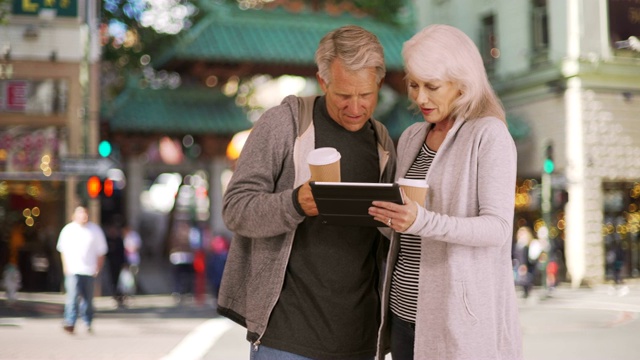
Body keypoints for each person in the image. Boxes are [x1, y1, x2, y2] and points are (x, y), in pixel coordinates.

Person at [217, 25, 396, 360]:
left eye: (366, 95)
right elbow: (236, 208)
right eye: (344, 95)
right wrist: (294, 202)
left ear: (379, 84)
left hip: (360, 341)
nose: (356, 107)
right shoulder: (284, 125)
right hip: (286, 340)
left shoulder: (382, 141)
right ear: (323, 81)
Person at [368, 24, 522, 359]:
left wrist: (422, 221)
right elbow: (405, 225)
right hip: (402, 314)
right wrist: (374, 212)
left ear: (462, 84)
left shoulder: (489, 136)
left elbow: (497, 228)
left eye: (432, 86)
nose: (420, 97)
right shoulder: (411, 136)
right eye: (413, 85)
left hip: (457, 320)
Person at [56, 205, 108, 334]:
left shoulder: (95, 230)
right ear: (74, 215)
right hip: (73, 269)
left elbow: (101, 251)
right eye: (80, 213)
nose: (83, 216)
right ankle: (70, 321)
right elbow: (62, 250)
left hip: (89, 269)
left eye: (85, 213)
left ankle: (87, 321)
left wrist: (98, 267)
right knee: (72, 297)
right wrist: (65, 267)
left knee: (88, 299)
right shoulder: (68, 230)